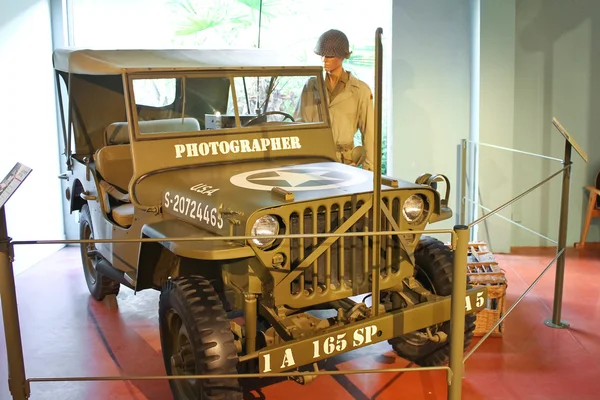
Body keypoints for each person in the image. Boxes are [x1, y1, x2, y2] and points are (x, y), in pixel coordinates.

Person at [294, 29, 375, 171]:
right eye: (322, 55)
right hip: (315, 161)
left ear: (342, 57)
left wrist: (370, 172)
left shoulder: (360, 90)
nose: (324, 59)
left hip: (346, 164)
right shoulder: (311, 86)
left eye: (329, 56)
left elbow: (370, 135)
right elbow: (299, 126)